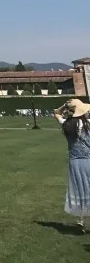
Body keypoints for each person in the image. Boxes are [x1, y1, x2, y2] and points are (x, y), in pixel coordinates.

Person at [54, 99, 90, 232]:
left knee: (80, 189)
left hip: (75, 162)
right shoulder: (88, 124)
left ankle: (81, 219)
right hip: (88, 160)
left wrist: (65, 105)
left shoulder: (67, 124)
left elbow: (56, 113)